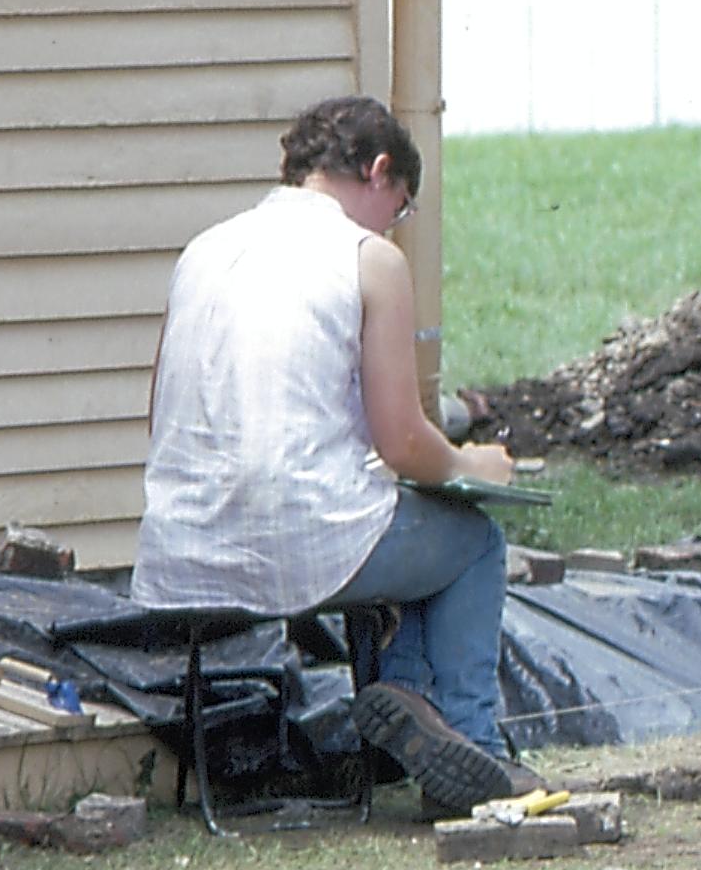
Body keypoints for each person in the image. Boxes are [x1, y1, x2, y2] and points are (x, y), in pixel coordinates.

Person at [134, 96, 531, 811]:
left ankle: (408, 711)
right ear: (379, 171)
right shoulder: (368, 259)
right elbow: (406, 444)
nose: (395, 227)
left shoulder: (205, 250)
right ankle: (472, 748)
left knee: (403, 523)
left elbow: (157, 414)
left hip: (180, 553)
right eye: (400, 207)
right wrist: (477, 465)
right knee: (470, 539)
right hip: (300, 546)